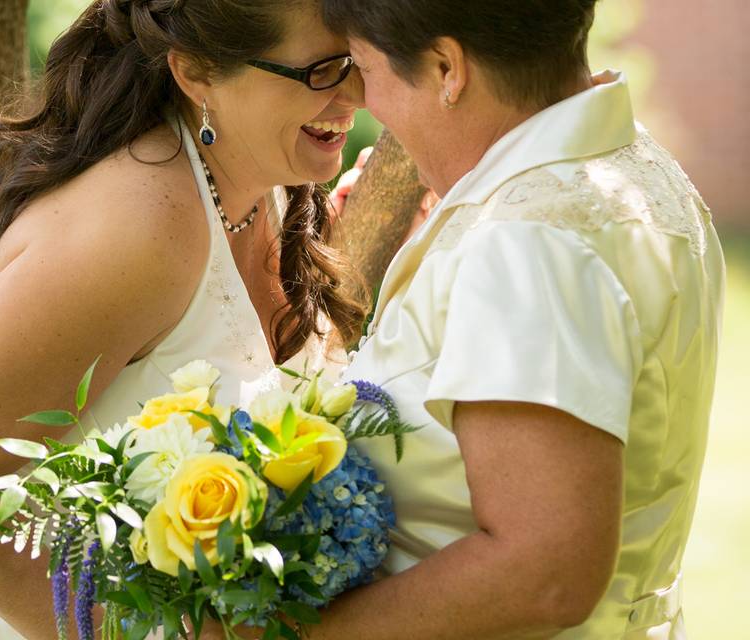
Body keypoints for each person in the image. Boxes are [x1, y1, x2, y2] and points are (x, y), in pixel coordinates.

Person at [207, 0, 722, 638]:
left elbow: (545, 570)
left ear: (448, 67)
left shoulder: (527, 243)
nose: (364, 101)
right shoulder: (634, 169)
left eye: (366, 68)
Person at [0, 1, 366, 638]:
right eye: (321, 70)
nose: (358, 92)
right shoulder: (138, 225)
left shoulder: (272, 189)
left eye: (353, 58)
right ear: (198, 72)